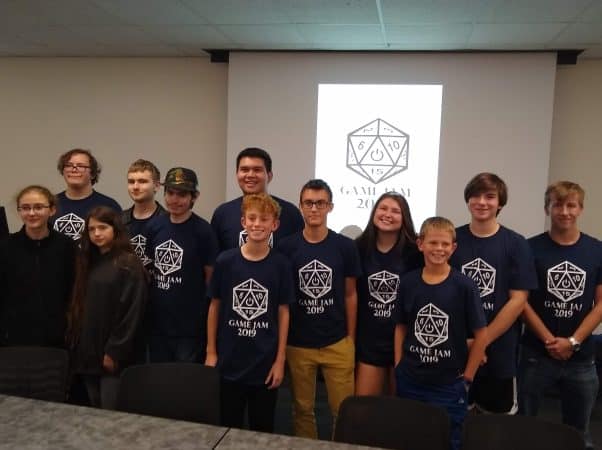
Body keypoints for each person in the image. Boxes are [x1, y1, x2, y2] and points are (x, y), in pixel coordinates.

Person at [519, 181, 602, 450]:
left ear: (580, 209)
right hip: (535, 353)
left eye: (571, 205)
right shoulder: (529, 248)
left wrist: (573, 341)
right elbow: (521, 301)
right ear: (547, 208)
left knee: (579, 435)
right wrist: (549, 341)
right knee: (523, 428)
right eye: (557, 204)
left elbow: (601, 304)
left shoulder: (596, 250)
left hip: (582, 357)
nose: (564, 211)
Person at [394, 216, 487, 450]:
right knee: (409, 436)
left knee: (449, 439)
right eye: (433, 243)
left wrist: (467, 377)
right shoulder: (408, 283)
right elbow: (401, 326)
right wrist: (398, 365)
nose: (439, 249)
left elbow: (481, 335)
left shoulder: (465, 286)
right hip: (411, 380)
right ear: (421, 244)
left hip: (449, 384)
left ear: (453, 248)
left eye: (445, 244)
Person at [278, 179, 361, 439]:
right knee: (302, 409)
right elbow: (282, 300)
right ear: (301, 206)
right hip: (299, 343)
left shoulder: (345, 247)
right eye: (309, 203)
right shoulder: (286, 247)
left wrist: (350, 338)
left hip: (337, 342)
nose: (314, 208)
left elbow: (350, 294)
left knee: (344, 411)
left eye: (320, 203)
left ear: (330, 207)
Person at [449, 173, 537, 414]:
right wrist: (466, 342)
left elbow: (518, 300)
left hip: (499, 352)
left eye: (490, 196)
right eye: (476, 195)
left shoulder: (517, 243)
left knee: (496, 425)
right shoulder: (452, 240)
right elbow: (444, 296)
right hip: (457, 347)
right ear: (467, 200)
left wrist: (482, 342)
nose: (482, 202)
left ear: (500, 203)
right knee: (454, 419)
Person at [205, 193, 293, 432]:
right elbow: (215, 306)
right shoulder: (225, 261)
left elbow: (283, 312)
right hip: (229, 360)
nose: (257, 224)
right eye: (251, 218)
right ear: (243, 222)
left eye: (264, 219)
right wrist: (211, 351)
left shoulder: (282, 265)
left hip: (265, 363)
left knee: (262, 429)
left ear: (274, 225)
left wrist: (280, 360)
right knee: (227, 428)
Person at [67, 207, 147, 409]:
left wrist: (114, 351)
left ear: (115, 229)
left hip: (112, 355)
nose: (96, 234)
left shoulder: (128, 263)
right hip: (87, 351)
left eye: (102, 228)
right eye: (91, 229)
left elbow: (132, 312)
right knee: (94, 407)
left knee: (112, 411)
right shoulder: (87, 260)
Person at [145, 167, 218, 363]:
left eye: (182, 194)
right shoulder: (154, 227)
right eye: (170, 193)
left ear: (194, 196)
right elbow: (151, 270)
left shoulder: (204, 231)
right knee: (159, 381)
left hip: (190, 326)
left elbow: (210, 278)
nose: (174, 200)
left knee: (185, 383)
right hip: (158, 323)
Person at [354, 192, 422, 395]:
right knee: (363, 410)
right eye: (383, 208)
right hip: (369, 343)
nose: (387, 214)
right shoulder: (358, 248)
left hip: (404, 343)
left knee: (398, 413)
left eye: (395, 211)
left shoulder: (415, 253)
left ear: (405, 218)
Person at [0, 185, 75, 347]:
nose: (32, 213)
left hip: (58, 339)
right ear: (19, 212)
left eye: (39, 207)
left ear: (52, 210)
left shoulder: (67, 246)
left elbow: (75, 291)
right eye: (25, 208)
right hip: (14, 338)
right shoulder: (5, 248)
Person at [211, 147, 304, 251]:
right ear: (237, 174)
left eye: (257, 170)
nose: (250, 175)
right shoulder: (223, 214)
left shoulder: (290, 213)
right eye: (244, 170)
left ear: (269, 176)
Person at [54, 148, 121, 240]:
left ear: (92, 174)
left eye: (81, 166)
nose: (74, 169)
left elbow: (119, 242)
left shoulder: (108, 205)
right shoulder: (50, 204)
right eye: (69, 165)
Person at [121, 159, 166, 264]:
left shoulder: (168, 221)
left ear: (157, 186)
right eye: (131, 182)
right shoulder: (119, 220)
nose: (135, 187)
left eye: (142, 181)